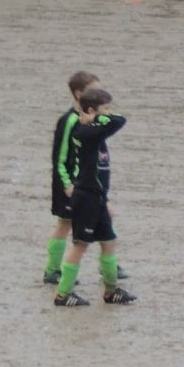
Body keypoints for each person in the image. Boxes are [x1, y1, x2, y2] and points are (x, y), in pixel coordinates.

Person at [52, 87, 136, 307]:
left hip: (98, 198)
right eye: (105, 108)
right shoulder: (87, 132)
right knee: (81, 245)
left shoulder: (96, 130)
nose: (109, 112)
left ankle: (110, 291)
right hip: (86, 198)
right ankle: (63, 294)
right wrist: (99, 118)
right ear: (91, 110)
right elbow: (120, 120)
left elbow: (115, 120)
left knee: (109, 241)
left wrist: (98, 117)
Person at [46, 69, 99, 285]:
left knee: (98, 219)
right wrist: (67, 184)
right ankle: (52, 270)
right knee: (65, 224)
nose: (98, 96)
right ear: (78, 94)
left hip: (86, 184)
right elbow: (59, 157)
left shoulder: (92, 119)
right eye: (93, 92)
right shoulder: (68, 121)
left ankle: (110, 264)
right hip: (69, 184)